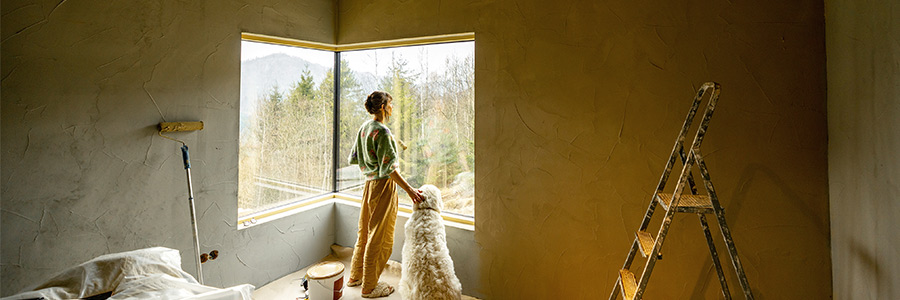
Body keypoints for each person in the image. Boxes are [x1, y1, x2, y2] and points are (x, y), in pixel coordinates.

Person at [346, 91, 424, 298]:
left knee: (364, 231)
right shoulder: (382, 132)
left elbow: (354, 157)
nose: (392, 107)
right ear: (383, 107)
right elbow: (390, 169)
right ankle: (370, 286)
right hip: (382, 187)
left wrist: (377, 153)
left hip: (368, 185)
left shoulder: (365, 128)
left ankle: (355, 276)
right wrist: (409, 189)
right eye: (391, 104)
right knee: (378, 237)